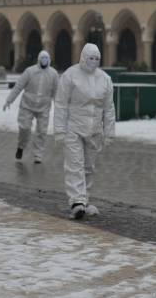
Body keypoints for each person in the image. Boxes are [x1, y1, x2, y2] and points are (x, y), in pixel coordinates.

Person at [54, 44, 115, 220]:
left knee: (89, 167)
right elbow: (61, 103)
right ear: (83, 57)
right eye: (90, 58)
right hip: (73, 128)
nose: (93, 61)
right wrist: (59, 130)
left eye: (97, 58)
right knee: (75, 165)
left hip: (94, 130)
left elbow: (109, 108)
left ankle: (84, 200)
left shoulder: (105, 79)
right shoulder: (70, 75)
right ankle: (76, 201)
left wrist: (109, 131)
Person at [4, 51, 58, 162]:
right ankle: (21, 146)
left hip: (44, 107)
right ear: (39, 59)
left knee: (42, 131)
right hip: (27, 105)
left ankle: (38, 154)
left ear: (49, 60)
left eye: (46, 58)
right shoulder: (29, 71)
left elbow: (56, 93)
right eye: (42, 58)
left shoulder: (53, 74)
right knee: (24, 128)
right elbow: (18, 86)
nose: (44, 60)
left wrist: (60, 108)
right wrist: (9, 100)